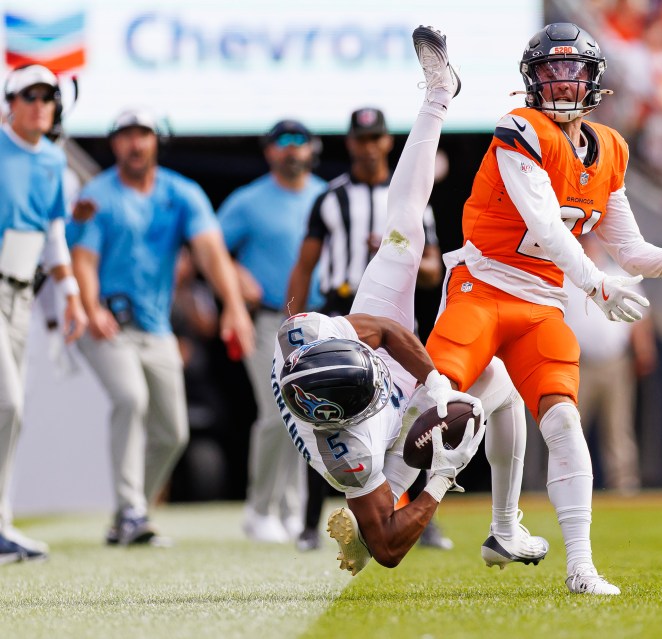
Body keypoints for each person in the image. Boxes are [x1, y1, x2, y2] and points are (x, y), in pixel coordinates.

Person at [424, 22, 662, 596]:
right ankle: (382, 500)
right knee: (437, 398)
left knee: (566, 425)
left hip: (541, 303)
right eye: (550, 71)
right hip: (487, 284)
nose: (562, 83)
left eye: (573, 71)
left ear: (593, 80)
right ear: (531, 79)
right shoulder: (521, 127)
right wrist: (596, 287)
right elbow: (544, 225)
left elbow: (630, 247)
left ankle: (581, 568)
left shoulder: (611, 148)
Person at [273, 25, 548, 575]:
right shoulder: (343, 454)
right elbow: (391, 552)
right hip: (362, 434)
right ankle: (492, 525)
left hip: (364, 343)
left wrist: (438, 389)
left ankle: (438, 94)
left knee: (403, 229)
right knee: (500, 388)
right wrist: (443, 478)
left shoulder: (311, 337)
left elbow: (388, 334)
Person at [69, 108, 254, 546]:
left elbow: (210, 252)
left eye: (143, 135)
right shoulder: (99, 194)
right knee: (131, 398)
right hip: (109, 323)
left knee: (173, 431)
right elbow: (85, 259)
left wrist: (234, 307)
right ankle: (132, 510)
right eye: (126, 136)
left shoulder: (181, 193)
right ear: (114, 144)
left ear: (156, 141)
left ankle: (129, 515)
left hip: (155, 329)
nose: (135, 144)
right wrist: (92, 305)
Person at [285, 107, 445, 551]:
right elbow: (305, 263)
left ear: (387, 142)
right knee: (325, 411)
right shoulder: (330, 198)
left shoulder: (414, 207)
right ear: (350, 144)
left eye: (375, 138)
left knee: (414, 410)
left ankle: (416, 514)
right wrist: (291, 318)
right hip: (342, 312)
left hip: (392, 317)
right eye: (360, 139)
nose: (368, 146)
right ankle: (310, 523)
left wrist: (397, 252)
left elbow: (432, 268)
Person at [217, 120, 327, 545]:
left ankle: (294, 508)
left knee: (309, 416)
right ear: (269, 153)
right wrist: (235, 274)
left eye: (299, 142)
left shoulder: (325, 195)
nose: (291, 151)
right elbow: (210, 249)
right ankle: (260, 509)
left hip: (319, 322)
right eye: (282, 144)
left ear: (311, 149)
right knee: (276, 414)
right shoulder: (247, 202)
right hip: (266, 321)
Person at [0, 64, 88, 564]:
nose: (39, 103)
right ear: (11, 101)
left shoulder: (54, 162)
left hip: (20, 295)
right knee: (7, 405)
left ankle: (0, 524)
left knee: (10, 411)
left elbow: (53, 233)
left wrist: (70, 292)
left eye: (47, 95)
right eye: (28, 95)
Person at [563, 234, 657, 494]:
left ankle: (624, 484)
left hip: (615, 362)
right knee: (570, 427)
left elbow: (640, 316)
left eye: (591, 243)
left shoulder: (617, 274)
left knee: (618, 427)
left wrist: (643, 350)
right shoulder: (566, 278)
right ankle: (567, 484)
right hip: (576, 364)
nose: (588, 248)